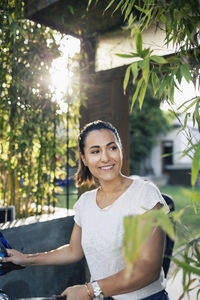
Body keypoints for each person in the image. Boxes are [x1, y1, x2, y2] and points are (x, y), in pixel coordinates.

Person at [2, 120, 170, 300]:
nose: (105, 158)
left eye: (111, 148)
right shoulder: (85, 202)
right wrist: (27, 259)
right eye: (95, 151)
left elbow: (148, 270)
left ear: (120, 150)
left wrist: (90, 290)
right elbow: (74, 250)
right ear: (84, 158)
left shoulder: (144, 193)